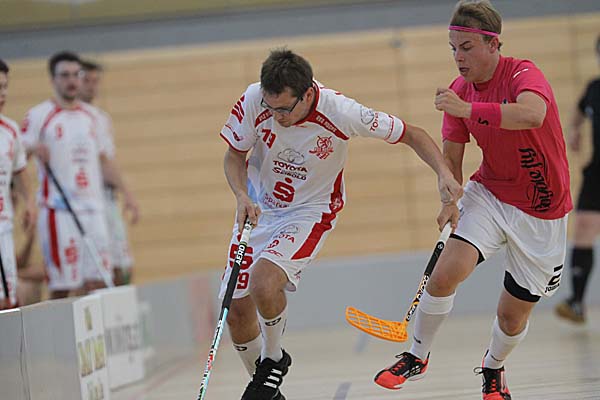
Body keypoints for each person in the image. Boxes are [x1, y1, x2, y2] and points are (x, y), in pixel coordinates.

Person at [219, 48, 463, 400]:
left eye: (284, 109)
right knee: (237, 313)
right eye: (270, 109)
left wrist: (443, 173)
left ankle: (273, 359)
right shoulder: (255, 99)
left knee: (263, 283)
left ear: (307, 94)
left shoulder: (342, 112)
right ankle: (266, 391)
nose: (276, 117)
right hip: (258, 208)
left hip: (309, 211)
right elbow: (234, 156)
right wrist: (241, 194)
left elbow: (414, 134)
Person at [373, 1, 572, 399]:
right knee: (445, 273)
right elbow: (452, 157)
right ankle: (417, 355)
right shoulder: (458, 92)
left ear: (493, 45)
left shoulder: (522, 73)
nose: (458, 57)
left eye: (466, 47)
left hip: (543, 210)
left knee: (511, 317)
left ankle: (493, 367)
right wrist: (448, 194)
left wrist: (468, 109)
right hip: (491, 195)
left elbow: (532, 114)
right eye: (453, 48)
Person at [21, 51, 125, 298]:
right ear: (53, 80)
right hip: (60, 211)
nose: (71, 80)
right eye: (64, 75)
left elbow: (104, 160)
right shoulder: (38, 115)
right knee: (62, 285)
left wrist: (127, 194)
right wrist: (33, 149)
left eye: (76, 74)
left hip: (93, 210)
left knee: (99, 281)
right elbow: (17, 155)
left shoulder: (93, 117)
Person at [79, 59, 139, 286]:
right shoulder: (79, 119)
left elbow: (107, 160)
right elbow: (103, 160)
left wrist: (124, 192)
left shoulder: (101, 118)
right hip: (88, 201)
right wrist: (128, 193)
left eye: (96, 81)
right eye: (86, 80)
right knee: (95, 271)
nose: (91, 86)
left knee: (122, 266)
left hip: (107, 197)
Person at [555, 35, 600, 324]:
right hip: (597, 171)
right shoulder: (594, 89)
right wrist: (575, 130)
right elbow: (581, 109)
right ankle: (577, 303)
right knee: (583, 226)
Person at [0, 59, 37, 309]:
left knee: (9, 301)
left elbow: (20, 172)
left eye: (5, 87)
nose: (2, 93)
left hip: (4, 225)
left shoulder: (10, 130)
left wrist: (30, 203)